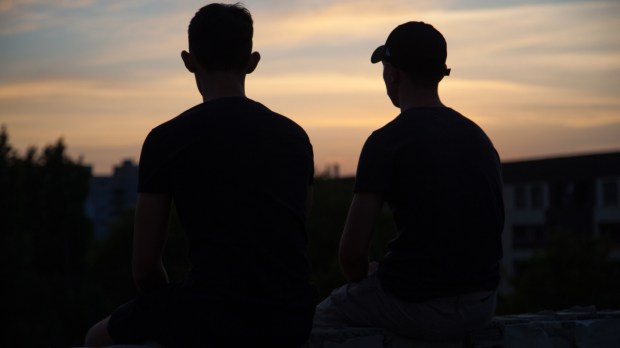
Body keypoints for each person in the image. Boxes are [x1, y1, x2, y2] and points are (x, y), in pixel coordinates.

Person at [85, 3, 316, 347]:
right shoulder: (294, 137)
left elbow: (145, 269)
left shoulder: (166, 139)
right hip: (293, 315)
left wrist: (166, 311)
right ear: (252, 62)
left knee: (94, 339)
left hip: (210, 310)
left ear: (188, 60)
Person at [313, 21, 504, 339]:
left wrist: (365, 278)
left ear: (392, 73)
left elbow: (351, 254)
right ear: (440, 73)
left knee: (313, 325)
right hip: (481, 305)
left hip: (415, 303)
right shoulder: (478, 137)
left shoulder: (386, 142)